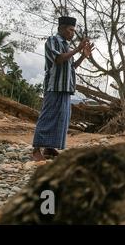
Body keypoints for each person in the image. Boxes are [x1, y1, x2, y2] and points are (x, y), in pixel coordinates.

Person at [32, 16, 94, 161]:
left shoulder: (66, 45)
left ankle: (49, 147)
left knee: (62, 118)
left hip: (66, 87)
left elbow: (71, 67)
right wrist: (77, 49)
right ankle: (36, 149)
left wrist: (83, 56)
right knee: (47, 116)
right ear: (61, 28)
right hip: (54, 86)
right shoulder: (53, 41)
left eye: (74, 30)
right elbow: (59, 59)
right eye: (70, 30)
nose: (72, 33)